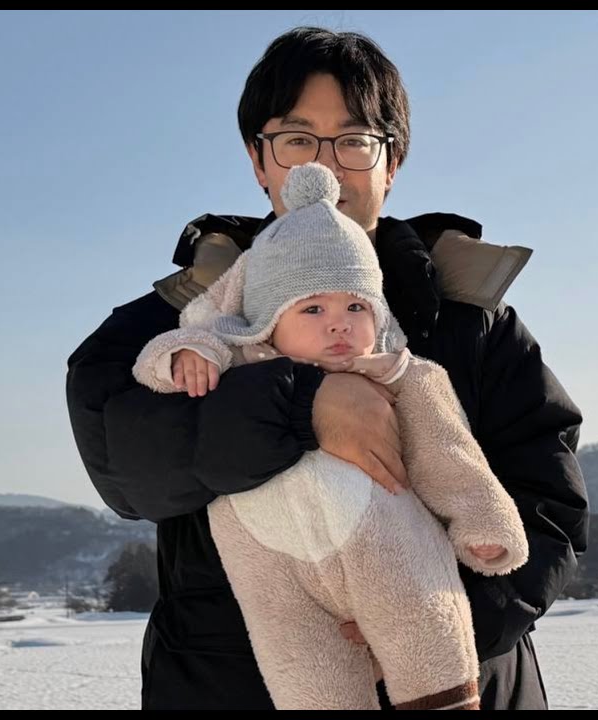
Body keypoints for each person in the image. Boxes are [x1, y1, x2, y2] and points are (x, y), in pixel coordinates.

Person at [65, 26, 587, 710]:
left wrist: (436, 621)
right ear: (260, 159)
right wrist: (302, 403)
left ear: (391, 162)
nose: (328, 166)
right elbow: (125, 468)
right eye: (297, 138)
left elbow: (548, 505)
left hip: (466, 682)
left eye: (355, 140)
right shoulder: (178, 323)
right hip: (232, 685)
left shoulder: (473, 322)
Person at [133, 163, 528, 710]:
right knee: (306, 675)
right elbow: (152, 367)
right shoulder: (234, 362)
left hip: (390, 559)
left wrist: (481, 522)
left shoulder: (400, 375)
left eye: (355, 306)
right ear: (267, 320)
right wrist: (182, 356)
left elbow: (450, 455)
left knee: (427, 629)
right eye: (313, 309)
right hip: (275, 578)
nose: (338, 323)